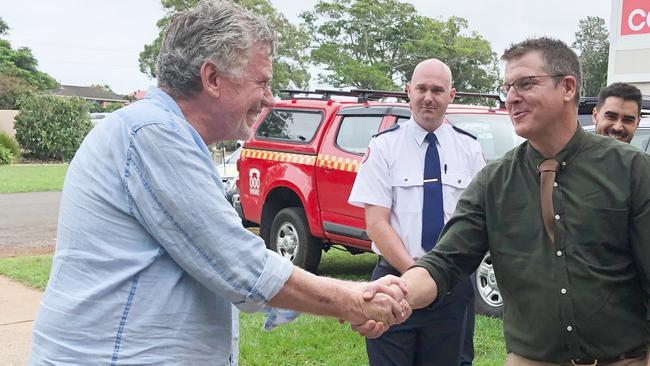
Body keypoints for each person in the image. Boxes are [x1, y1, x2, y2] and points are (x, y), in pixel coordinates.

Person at [28, 1, 410, 364]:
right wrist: (354, 298)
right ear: (211, 78)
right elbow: (240, 264)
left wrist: (348, 296)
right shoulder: (152, 134)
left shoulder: (160, 134)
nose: (270, 99)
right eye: (261, 82)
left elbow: (221, 265)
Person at [364, 37, 650, 365]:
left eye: (526, 84)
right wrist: (389, 297)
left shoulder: (632, 170)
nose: (512, 98)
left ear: (568, 87)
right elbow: (444, 262)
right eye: (508, 87)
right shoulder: (494, 181)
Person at [349, 59, 484, 365]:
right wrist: (416, 277)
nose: (428, 97)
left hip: (451, 288)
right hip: (394, 283)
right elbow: (376, 224)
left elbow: (476, 223)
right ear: (408, 91)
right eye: (421, 88)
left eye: (437, 90)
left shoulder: (470, 149)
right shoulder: (384, 147)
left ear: (452, 95)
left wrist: (437, 279)